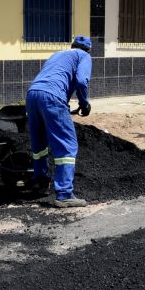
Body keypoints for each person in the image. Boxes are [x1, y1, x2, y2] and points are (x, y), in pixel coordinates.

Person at [26, 36, 92, 208]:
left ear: (72, 45)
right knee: (67, 144)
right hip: (52, 96)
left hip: (33, 94)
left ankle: (40, 182)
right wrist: (84, 103)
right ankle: (64, 194)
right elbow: (81, 81)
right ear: (88, 50)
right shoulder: (84, 56)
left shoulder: (58, 54)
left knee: (39, 143)